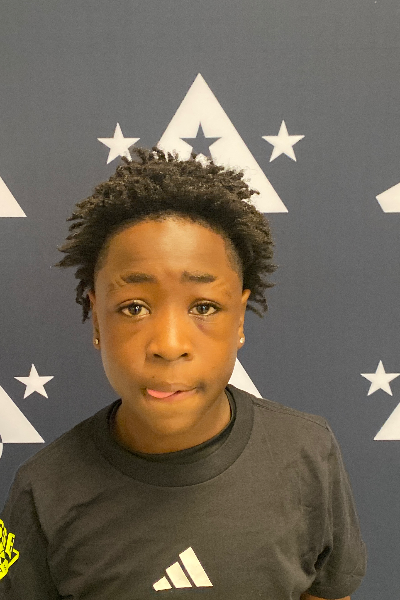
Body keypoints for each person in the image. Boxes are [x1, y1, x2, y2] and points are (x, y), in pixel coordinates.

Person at [0, 147, 366, 599]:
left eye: (204, 307)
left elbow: (327, 592)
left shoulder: (308, 451)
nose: (170, 345)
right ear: (96, 321)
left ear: (239, 320)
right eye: (134, 307)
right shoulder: (43, 492)